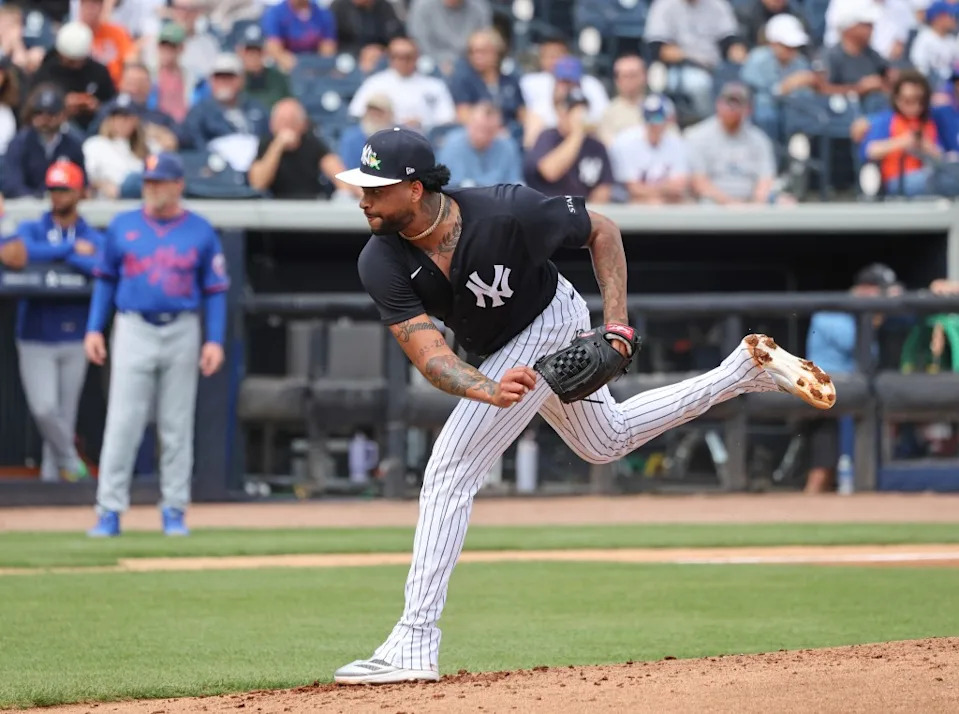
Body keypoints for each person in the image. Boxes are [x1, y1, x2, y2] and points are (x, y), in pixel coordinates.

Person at [330, 126, 836, 684]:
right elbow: (430, 357)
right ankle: (741, 371)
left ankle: (414, 640)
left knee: (450, 469)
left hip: (551, 318)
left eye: (376, 188)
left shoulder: (505, 210)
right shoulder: (380, 259)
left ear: (415, 189)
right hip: (495, 352)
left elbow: (602, 229)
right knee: (606, 441)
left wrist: (616, 323)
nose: (364, 198)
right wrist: (485, 388)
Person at [84, 152, 229, 538]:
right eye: (148, 181)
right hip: (133, 325)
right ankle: (109, 510)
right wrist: (94, 329)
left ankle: (174, 509)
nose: (152, 188)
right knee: (123, 423)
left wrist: (214, 339)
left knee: (176, 425)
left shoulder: (199, 229)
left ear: (178, 184)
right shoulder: (123, 224)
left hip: (182, 326)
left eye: (160, 181)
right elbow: (105, 279)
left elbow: (215, 289)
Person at [0, 160, 101, 483]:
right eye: (54, 190)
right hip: (35, 334)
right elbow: (21, 253)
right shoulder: (33, 227)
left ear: (80, 193)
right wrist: (69, 249)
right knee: (44, 409)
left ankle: (53, 487)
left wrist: (59, 254)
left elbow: (99, 263)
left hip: (75, 334)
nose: (58, 196)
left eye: (65, 190)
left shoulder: (90, 232)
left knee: (65, 417)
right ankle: (73, 465)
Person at [805, 263, 899, 493]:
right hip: (823, 392)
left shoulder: (867, 317)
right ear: (866, 290)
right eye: (880, 292)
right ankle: (806, 503)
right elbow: (856, 345)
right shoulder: (831, 314)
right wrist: (876, 317)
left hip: (853, 396)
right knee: (823, 468)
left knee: (847, 470)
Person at [644, 0, 747, 121]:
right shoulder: (663, 5)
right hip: (681, 67)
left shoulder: (717, 4)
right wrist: (688, 56)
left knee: (741, 81)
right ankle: (712, 122)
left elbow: (730, 39)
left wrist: (737, 51)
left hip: (717, 66)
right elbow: (658, 48)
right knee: (700, 84)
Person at [685, 82, 780, 205]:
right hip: (713, 203)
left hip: (750, 203)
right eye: (729, 103)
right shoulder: (698, 136)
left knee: (785, 203)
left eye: (738, 103)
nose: (732, 108)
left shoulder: (759, 140)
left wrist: (756, 204)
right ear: (718, 104)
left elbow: (765, 179)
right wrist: (731, 204)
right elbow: (699, 183)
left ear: (748, 109)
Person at [247, 98, 358, 199]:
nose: (286, 127)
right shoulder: (266, 144)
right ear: (272, 125)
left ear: (303, 124)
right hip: (276, 205)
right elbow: (258, 183)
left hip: (309, 204)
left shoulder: (312, 143)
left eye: (292, 122)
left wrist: (346, 191)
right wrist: (277, 146)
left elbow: (336, 170)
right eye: (282, 121)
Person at [861, 70, 944, 197]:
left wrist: (927, 146)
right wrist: (903, 141)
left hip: (928, 174)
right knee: (936, 181)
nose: (914, 106)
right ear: (897, 99)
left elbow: (941, 157)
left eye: (920, 100)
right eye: (908, 100)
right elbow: (870, 150)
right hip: (896, 179)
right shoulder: (887, 119)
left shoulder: (928, 122)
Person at [522, 86, 613, 202]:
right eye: (573, 111)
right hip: (550, 207)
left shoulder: (596, 146)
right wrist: (577, 134)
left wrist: (586, 211)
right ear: (562, 113)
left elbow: (604, 189)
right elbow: (550, 172)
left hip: (584, 209)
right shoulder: (548, 137)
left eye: (583, 111)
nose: (580, 117)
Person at [348, 36, 456, 133]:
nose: (402, 61)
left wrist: (422, 123)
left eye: (407, 56)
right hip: (385, 137)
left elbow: (446, 119)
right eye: (396, 56)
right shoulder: (374, 83)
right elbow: (357, 112)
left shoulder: (435, 86)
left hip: (424, 138)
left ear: (417, 57)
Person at [740, 14, 817, 142]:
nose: (792, 51)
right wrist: (782, 88)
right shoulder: (757, 60)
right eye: (787, 47)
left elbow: (806, 96)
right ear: (774, 44)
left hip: (793, 113)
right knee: (766, 113)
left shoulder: (800, 63)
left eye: (794, 47)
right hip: (763, 115)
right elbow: (752, 93)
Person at [29, 21, 116, 133]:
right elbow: (33, 101)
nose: (74, 65)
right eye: (69, 60)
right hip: (57, 125)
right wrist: (61, 103)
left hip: (93, 126)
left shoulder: (98, 72)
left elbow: (112, 102)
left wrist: (96, 106)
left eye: (77, 60)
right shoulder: (48, 68)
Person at [1, 86, 86, 199]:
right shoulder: (19, 143)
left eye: (51, 113)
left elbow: (81, 183)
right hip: (25, 205)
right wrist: (37, 198)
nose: (44, 119)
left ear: (62, 115)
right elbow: (11, 184)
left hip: (63, 205)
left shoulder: (72, 145)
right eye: (39, 113)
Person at [609, 94, 689, 204]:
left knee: (683, 202)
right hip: (631, 202)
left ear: (668, 119)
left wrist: (653, 192)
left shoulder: (676, 142)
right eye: (649, 117)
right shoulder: (625, 141)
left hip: (668, 202)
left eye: (659, 118)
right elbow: (632, 189)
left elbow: (678, 187)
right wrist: (664, 189)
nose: (654, 123)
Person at [436, 101, 523, 187]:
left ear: (498, 129)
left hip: (498, 195)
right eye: (479, 128)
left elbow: (515, 183)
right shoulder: (452, 145)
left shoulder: (508, 147)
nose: (482, 135)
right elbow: (446, 185)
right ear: (469, 124)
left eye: (489, 130)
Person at [82, 93, 147, 198]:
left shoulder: (147, 147)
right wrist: (102, 184)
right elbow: (85, 178)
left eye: (126, 117)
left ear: (135, 120)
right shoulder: (95, 145)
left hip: (139, 202)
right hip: (105, 203)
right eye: (116, 117)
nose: (121, 122)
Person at [406, 0, 492, 76]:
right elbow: (418, 43)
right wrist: (442, 62)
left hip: (469, 61)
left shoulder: (479, 6)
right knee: (424, 64)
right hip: (432, 60)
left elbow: (484, 40)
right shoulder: (422, 5)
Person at [262, 0, 338, 73]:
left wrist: (319, 65)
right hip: (288, 65)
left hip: (314, 64)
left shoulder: (322, 13)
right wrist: (287, 61)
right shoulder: (275, 13)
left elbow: (328, 46)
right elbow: (274, 46)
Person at [235, 24, 291, 112]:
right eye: (249, 51)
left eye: (258, 51)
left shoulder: (277, 78)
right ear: (240, 52)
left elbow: (289, 103)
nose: (253, 56)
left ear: (265, 52)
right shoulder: (233, 79)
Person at [597, 54, 646, 147]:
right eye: (625, 76)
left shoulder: (657, 106)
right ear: (617, 80)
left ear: (644, 77)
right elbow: (609, 144)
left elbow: (671, 139)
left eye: (633, 75)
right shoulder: (609, 112)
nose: (629, 80)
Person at [338, 93, 394, 170]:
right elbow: (347, 168)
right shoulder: (351, 138)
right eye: (371, 111)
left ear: (389, 115)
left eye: (379, 112)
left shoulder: (400, 139)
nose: (375, 115)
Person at [909, 2, 959, 86]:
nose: (954, 19)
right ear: (938, 18)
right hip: (930, 83)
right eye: (950, 15)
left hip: (950, 83)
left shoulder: (952, 40)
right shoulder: (924, 38)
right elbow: (919, 68)